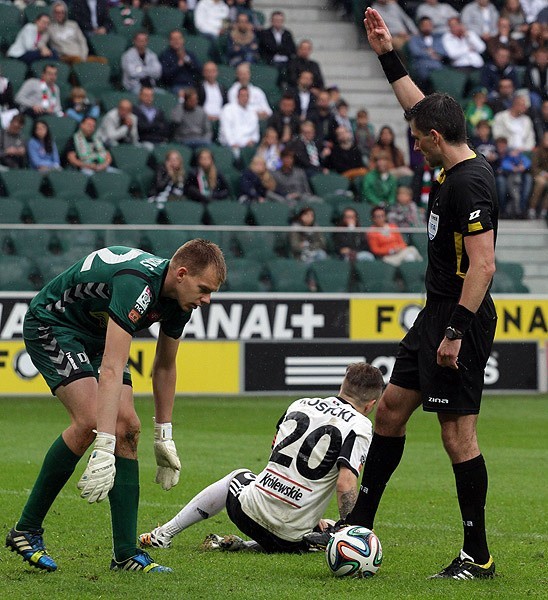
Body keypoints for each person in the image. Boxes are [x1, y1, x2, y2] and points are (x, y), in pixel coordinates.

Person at [318, 8, 499, 581]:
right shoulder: (452, 162)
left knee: (456, 433)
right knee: (391, 410)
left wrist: (454, 334)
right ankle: (360, 526)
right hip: (435, 315)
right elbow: (416, 105)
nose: (413, 143)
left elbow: (485, 265)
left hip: (458, 320)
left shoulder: (470, 182)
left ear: (438, 138)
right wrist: (385, 52)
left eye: (419, 137)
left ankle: (479, 556)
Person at [5, 239, 226, 573]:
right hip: (54, 325)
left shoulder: (180, 302)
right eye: (204, 289)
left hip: (96, 332)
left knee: (130, 429)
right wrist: (103, 446)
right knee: (90, 421)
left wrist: (163, 435)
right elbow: (111, 368)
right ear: (181, 274)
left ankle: (125, 554)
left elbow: (165, 366)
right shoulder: (135, 284)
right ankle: (26, 530)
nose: (207, 299)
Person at [138, 362, 383, 553]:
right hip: (292, 536)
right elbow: (345, 482)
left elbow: (275, 449)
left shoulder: (301, 404)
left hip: (248, 514)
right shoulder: (360, 425)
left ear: (343, 386)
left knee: (238, 477)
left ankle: (164, 534)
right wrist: (347, 529)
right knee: (327, 526)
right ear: (371, 404)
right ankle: (253, 543)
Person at [219, 86, 260, 156]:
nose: (244, 98)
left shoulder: (252, 112)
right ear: (237, 97)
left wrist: (253, 140)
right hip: (230, 144)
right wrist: (232, 143)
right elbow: (225, 129)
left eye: (247, 96)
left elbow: (255, 132)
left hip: (247, 145)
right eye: (242, 95)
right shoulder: (228, 109)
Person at [407, 16, 447, 89]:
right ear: (420, 26)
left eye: (429, 25)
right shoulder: (414, 39)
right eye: (425, 25)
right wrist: (431, 53)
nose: (427, 27)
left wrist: (427, 51)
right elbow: (415, 52)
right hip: (421, 64)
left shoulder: (437, 38)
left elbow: (443, 52)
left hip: (437, 65)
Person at [160, 30, 202, 94]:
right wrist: (179, 65)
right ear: (170, 41)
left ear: (183, 40)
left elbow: (199, 70)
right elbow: (165, 75)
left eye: (179, 38)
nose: (177, 41)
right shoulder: (165, 55)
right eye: (174, 39)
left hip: (191, 86)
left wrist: (188, 61)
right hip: (175, 86)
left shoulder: (189, 54)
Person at [528, 130, 548, 219]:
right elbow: (534, 167)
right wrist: (543, 173)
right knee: (541, 183)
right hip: (538, 174)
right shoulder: (538, 151)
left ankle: (544, 210)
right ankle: (532, 208)